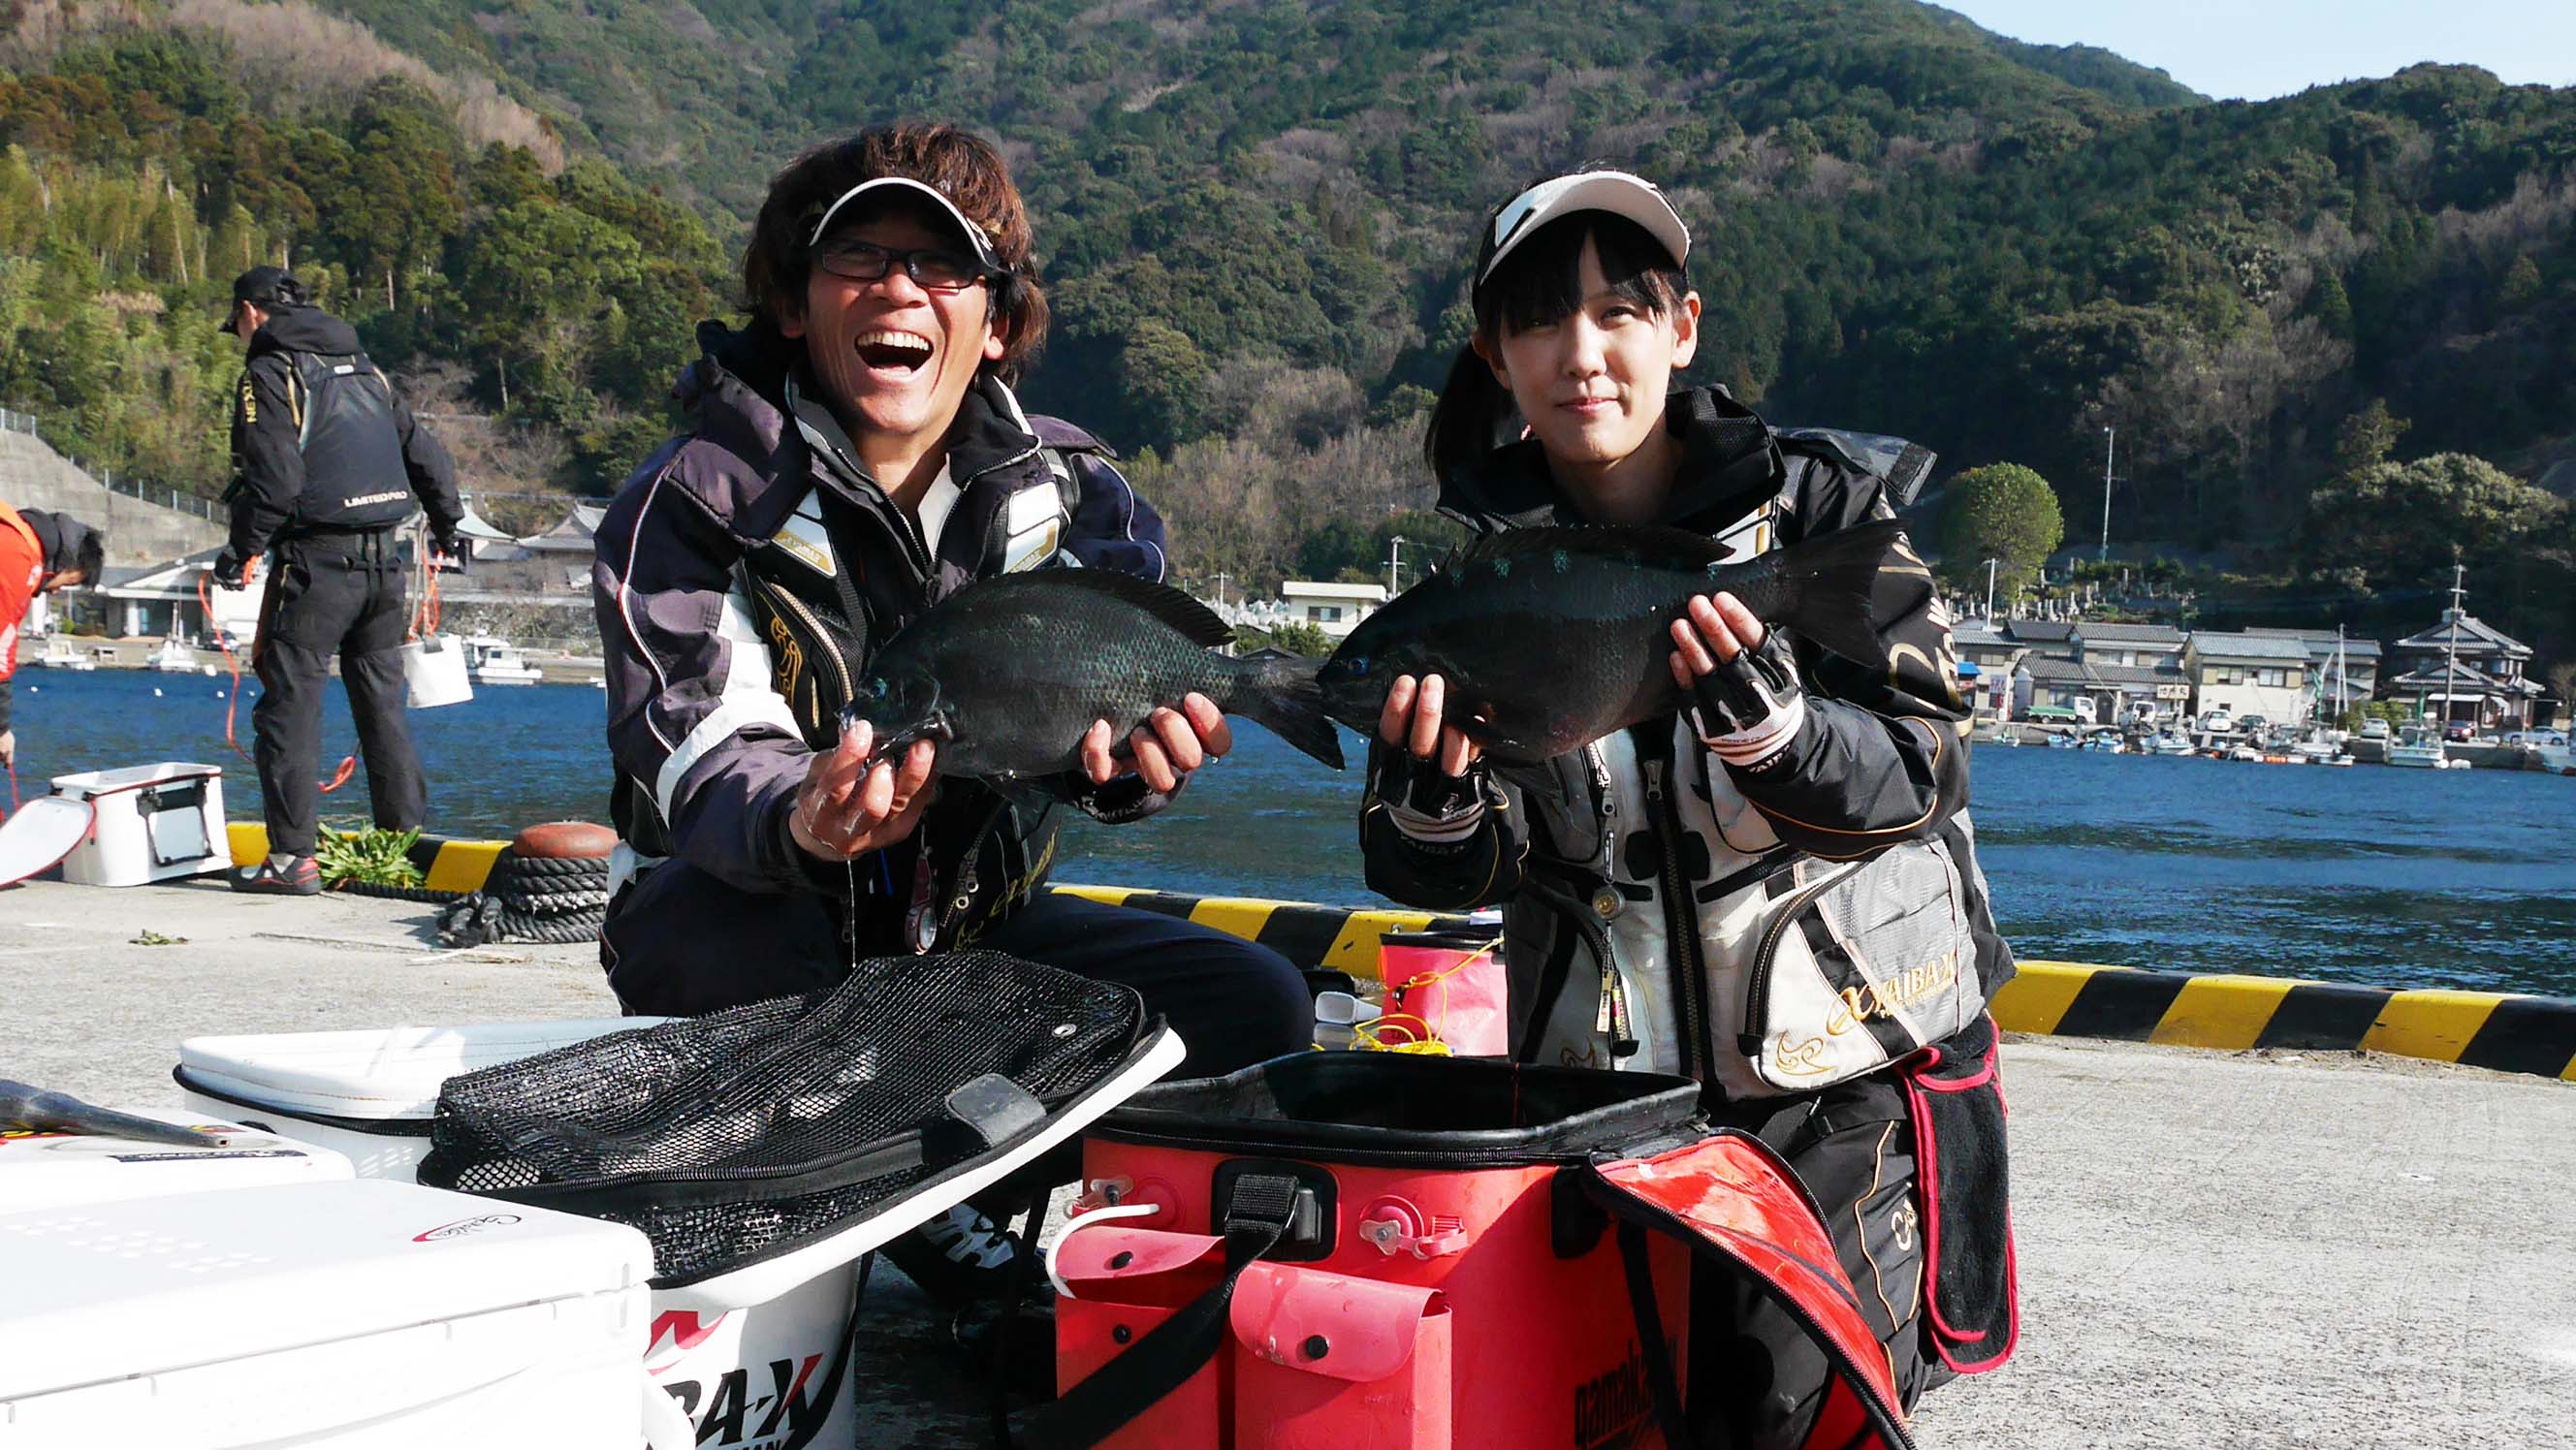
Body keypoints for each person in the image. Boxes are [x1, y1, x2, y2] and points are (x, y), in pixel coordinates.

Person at [592, 124, 1314, 1302]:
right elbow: (693, 735)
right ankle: (905, 1196)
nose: (898, 287)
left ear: (997, 320)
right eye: (857, 255)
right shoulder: (693, 499)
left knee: (1256, 1002)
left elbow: (1112, 710)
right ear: (793, 302)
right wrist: (801, 818)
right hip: (754, 934)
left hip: (967, 929)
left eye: (941, 264)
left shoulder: (1078, 495)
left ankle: (942, 1183)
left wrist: (1127, 769)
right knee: (729, 944)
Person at [1362, 169, 2018, 1447]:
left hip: (1842, 1093)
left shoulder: (1823, 512)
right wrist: (1439, 800)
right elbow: (1429, 867)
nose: (1582, 353)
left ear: (1683, 328)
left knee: (1794, 1416)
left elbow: (1925, 762)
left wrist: (1777, 735)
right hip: (1601, 1105)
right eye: (1540, 322)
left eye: (1619, 311)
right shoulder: (1482, 579)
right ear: (1495, 356)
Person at [213, 266, 464, 896]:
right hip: (385, 565)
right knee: (381, 707)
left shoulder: (271, 372)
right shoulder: (365, 367)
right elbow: (425, 453)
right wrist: (448, 525)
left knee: (289, 708)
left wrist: (241, 551)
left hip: (316, 565)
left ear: (250, 312)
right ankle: (403, 851)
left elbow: (274, 481)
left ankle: (291, 861)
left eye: (237, 323)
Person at [0, 504, 105, 769]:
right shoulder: (20, 557)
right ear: (65, 562)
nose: (56, 591)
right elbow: (1, 645)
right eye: (68, 582)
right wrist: (1, 728)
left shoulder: (14, 534)